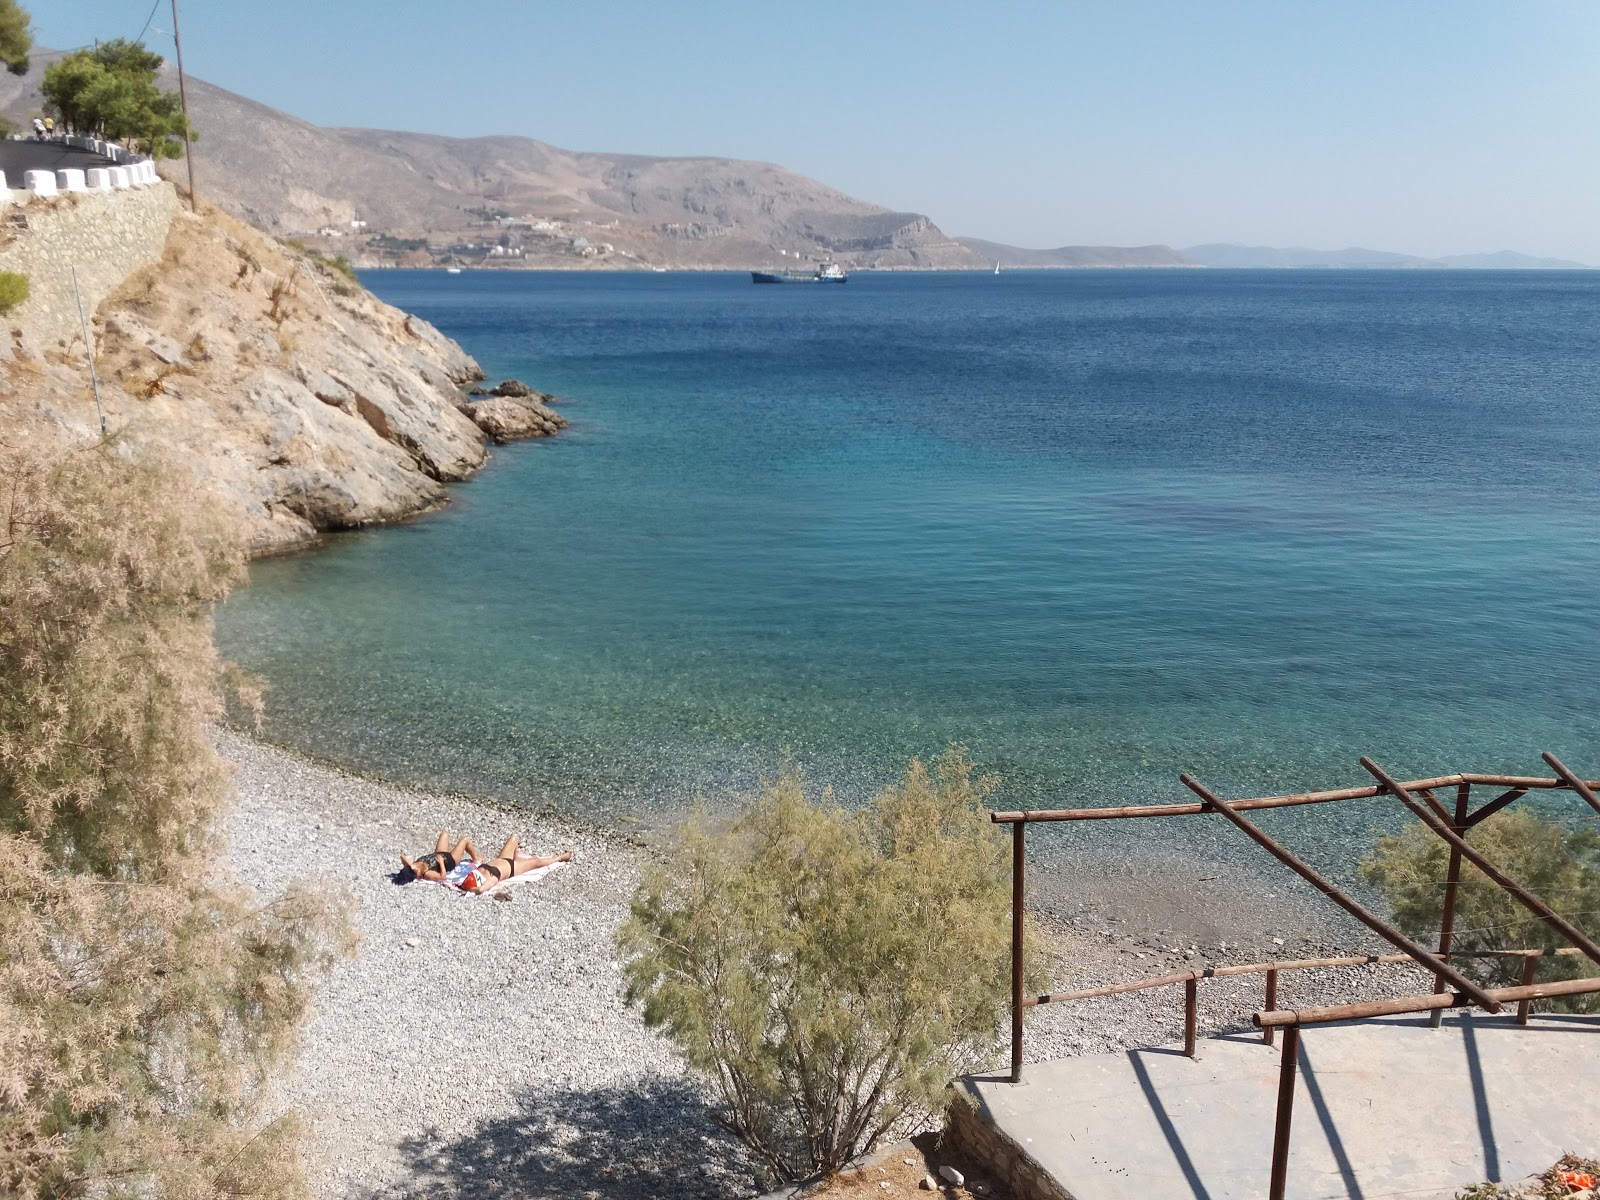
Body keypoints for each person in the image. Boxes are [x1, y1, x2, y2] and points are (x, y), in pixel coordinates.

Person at [458, 834, 572, 893]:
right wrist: (471, 890)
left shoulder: (476, 874)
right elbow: (481, 890)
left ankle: (516, 857)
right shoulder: (491, 880)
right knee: (537, 862)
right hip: (512, 867)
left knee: (513, 838)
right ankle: (561, 857)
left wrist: (465, 886)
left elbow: (467, 884)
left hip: (503, 859)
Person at [400, 830, 479, 882]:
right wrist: (441, 862)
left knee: (444, 834)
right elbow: (442, 877)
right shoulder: (427, 874)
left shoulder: (414, 866)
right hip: (451, 860)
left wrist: (411, 866)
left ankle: (452, 850)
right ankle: (475, 858)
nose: (416, 870)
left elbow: (402, 856)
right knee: (465, 840)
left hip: (439, 854)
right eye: (415, 872)